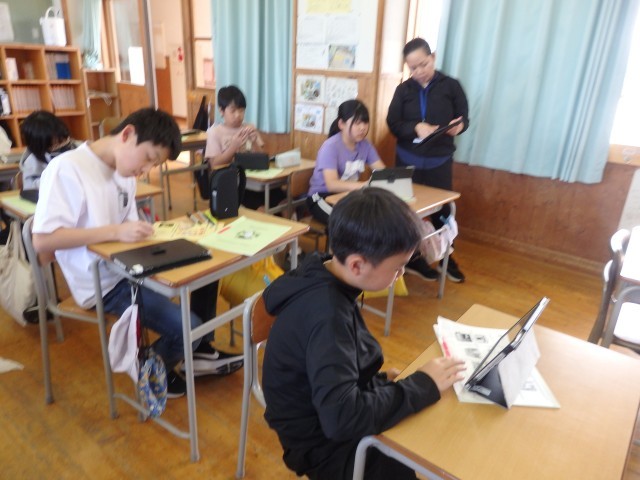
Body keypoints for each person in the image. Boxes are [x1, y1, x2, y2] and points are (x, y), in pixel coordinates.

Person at [32, 108, 242, 398]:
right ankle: (149, 366)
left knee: (207, 270)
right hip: (102, 284)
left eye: (153, 164)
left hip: (131, 267)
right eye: (148, 158)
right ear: (127, 134)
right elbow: (42, 240)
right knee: (188, 327)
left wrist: (161, 233)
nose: (145, 170)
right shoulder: (67, 169)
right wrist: (115, 232)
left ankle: (197, 351)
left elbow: (130, 227)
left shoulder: (124, 174)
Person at [262, 188, 466, 480]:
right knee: (413, 455)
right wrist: (422, 385)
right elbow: (341, 419)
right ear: (357, 264)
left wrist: (380, 384)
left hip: (327, 413)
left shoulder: (324, 270)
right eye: (397, 268)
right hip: (322, 444)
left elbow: (337, 375)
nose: (401, 275)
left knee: (425, 424)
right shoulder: (327, 315)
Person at [387, 37, 469, 283]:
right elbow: (393, 123)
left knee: (442, 210)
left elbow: (464, 118)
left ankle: (446, 258)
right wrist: (415, 127)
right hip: (407, 161)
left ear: (433, 57)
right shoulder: (403, 90)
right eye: (413, 68)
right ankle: (413, 259)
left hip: (438, 161)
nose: (419, 71)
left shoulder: (451, 86)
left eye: (423, 64)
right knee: (406, 211)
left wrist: (459, 126)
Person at [204, 85, 284, 210]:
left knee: (284, 200)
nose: (238, 115)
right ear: (221, 111)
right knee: (262, 207)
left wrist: (255, 142)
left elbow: (263, 158)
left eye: (241, 110)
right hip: (233, 185)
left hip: (255, 181)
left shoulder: (248, 128)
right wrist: (233, 147)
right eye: (233, 111)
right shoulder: (214, 132)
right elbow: (214, 164)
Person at [307, 99, 386, 224]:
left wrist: (388, 179)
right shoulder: (330, 146)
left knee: (376, 217)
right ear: (341, 124)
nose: (362, 128)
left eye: (365, 122)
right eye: (357, 123)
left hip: (348, 196)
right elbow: (332, 184)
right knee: (348, 223)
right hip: (321, 197)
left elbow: (383, 173)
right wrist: (364, 186)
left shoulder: (365, 145)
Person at [19, 110, 77, 190]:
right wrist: (54, 180)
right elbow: (30, 188)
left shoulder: (77, 146)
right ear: (38, 146)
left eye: (62, 140)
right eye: (52, 145)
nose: (59, 146)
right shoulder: (32, 161)